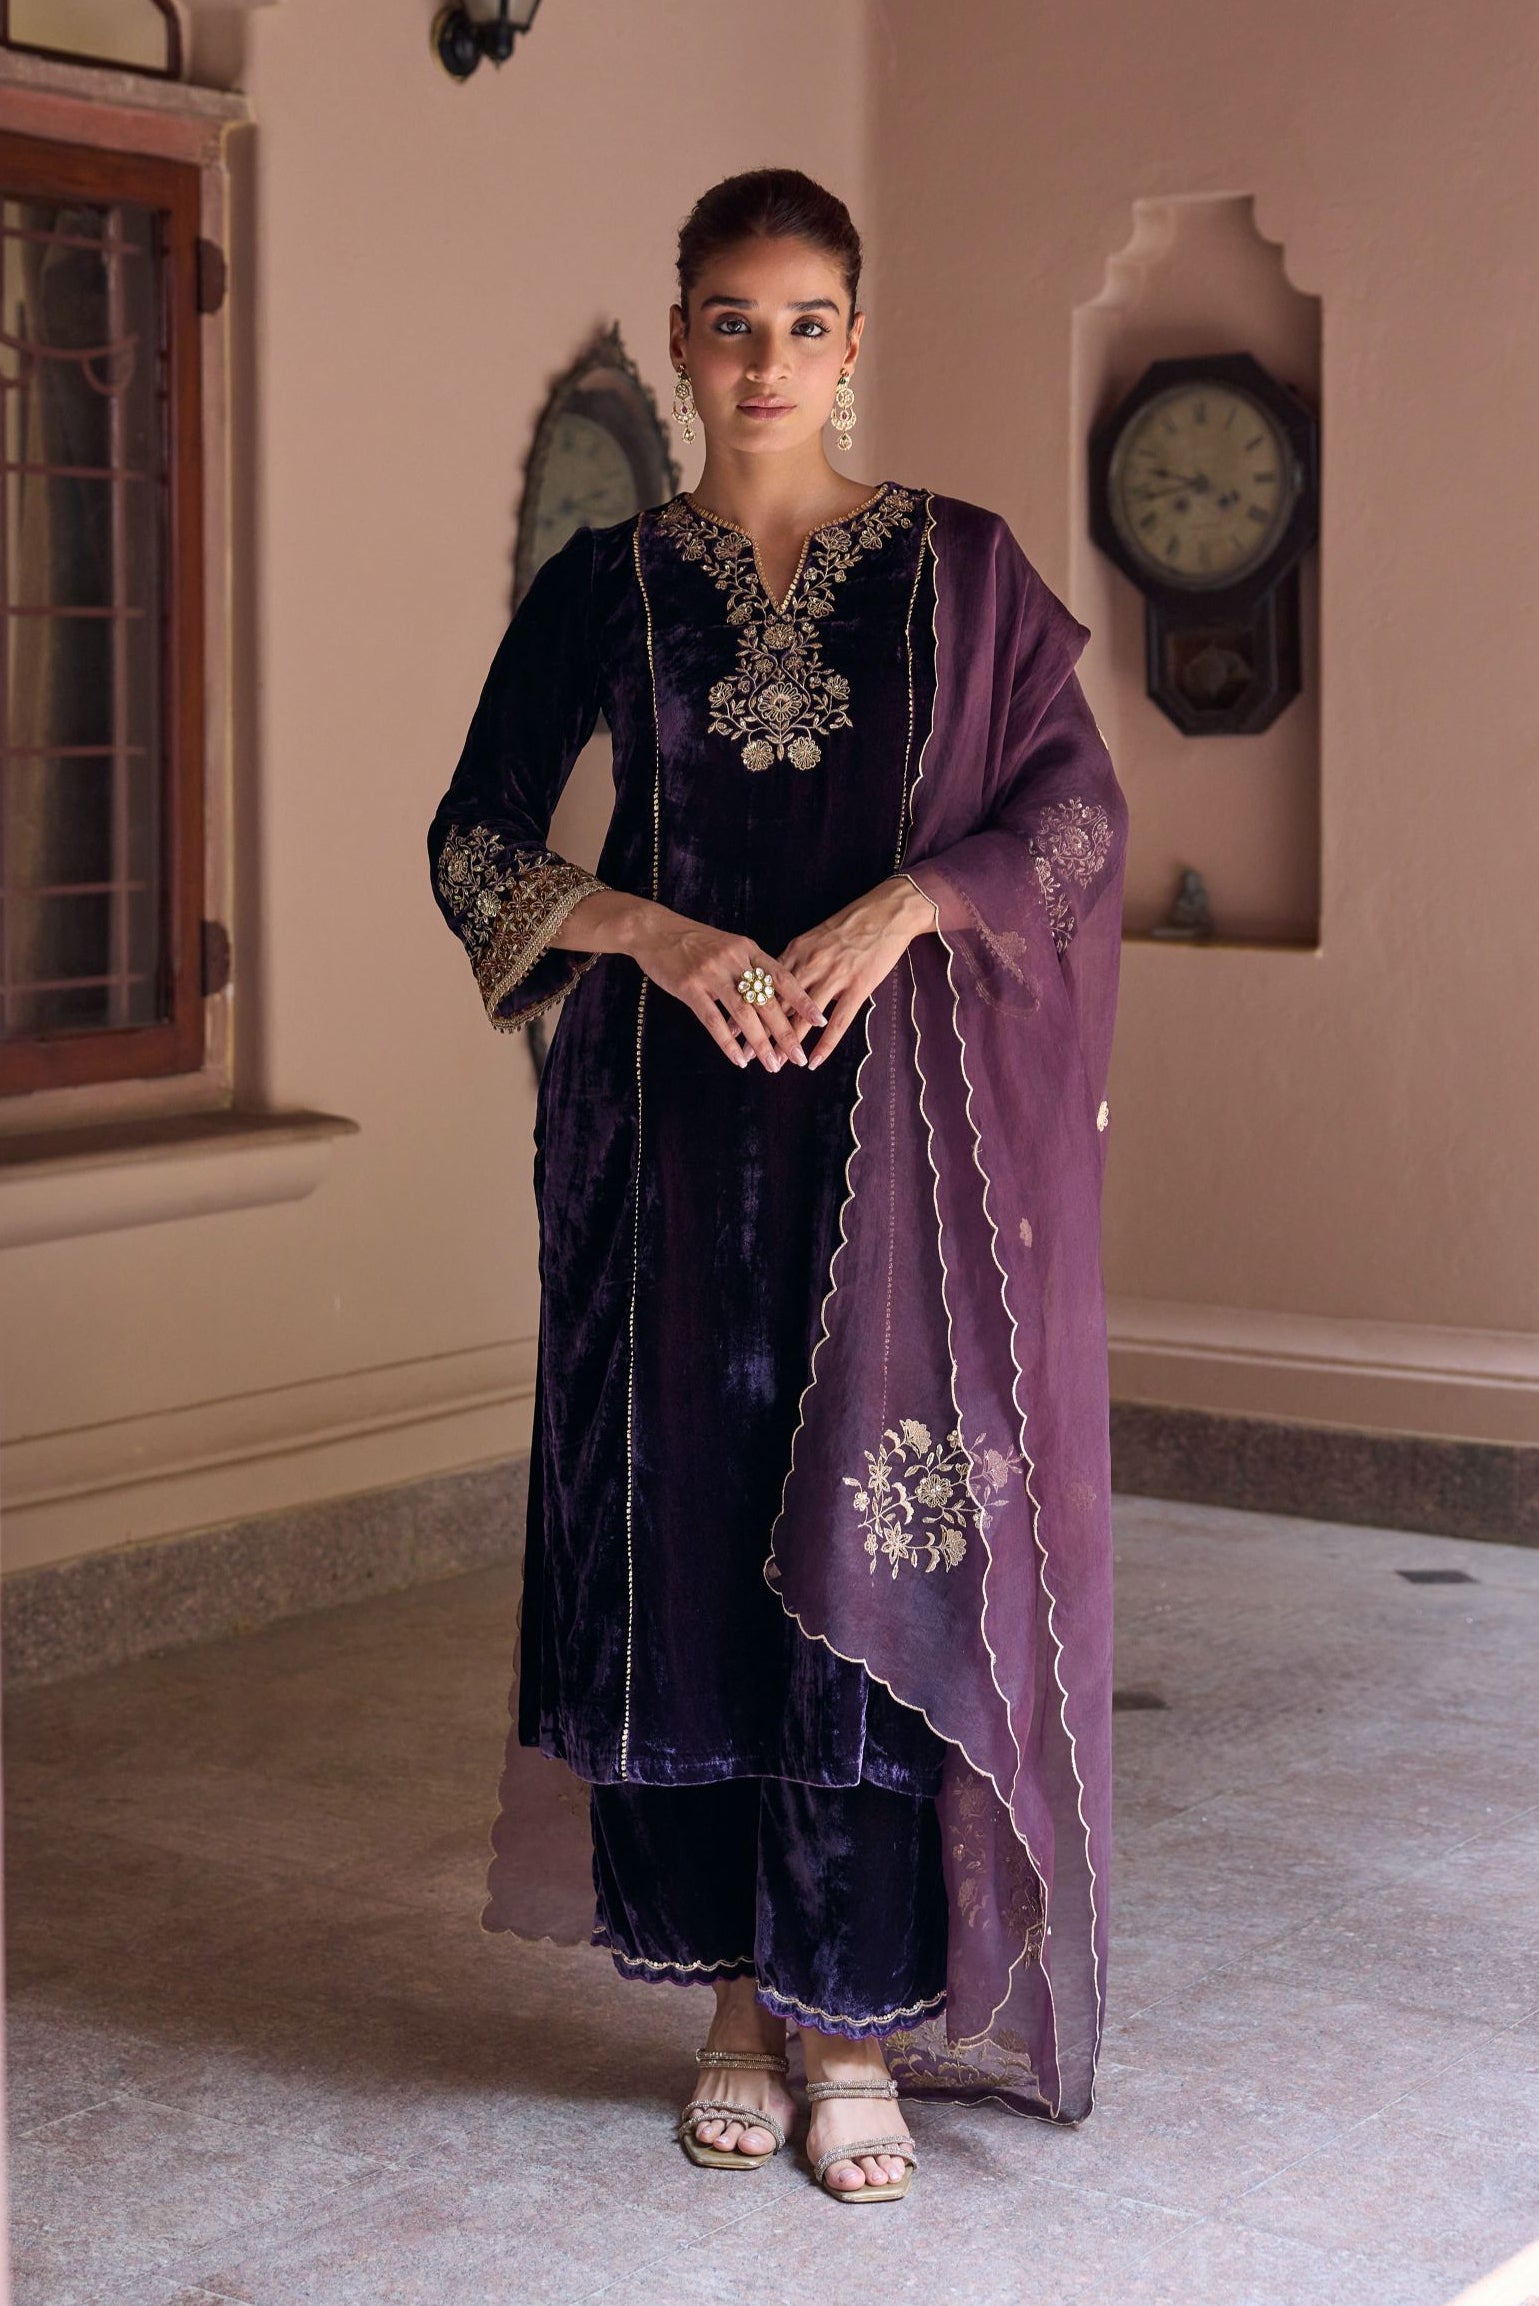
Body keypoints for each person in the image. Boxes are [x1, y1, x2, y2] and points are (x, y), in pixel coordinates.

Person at [428, 167, 1126, 2202]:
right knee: (687, 1544)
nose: (765, 360)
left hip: (892, 1142)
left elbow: (1073, 816)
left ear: (854, 340)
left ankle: (852, 2021)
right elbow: (475, 840)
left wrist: (912, 905)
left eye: (804, 321)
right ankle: (736, 2003)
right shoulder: (608, 584)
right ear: (679, 337)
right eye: (729, 320)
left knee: (876, 1538)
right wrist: (648, 932)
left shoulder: (961, 573)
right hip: (660, 1140)